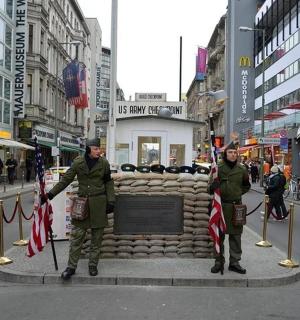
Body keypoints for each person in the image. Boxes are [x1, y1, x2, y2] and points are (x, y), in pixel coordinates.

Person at [42, 138, 115, 280]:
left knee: (97, 238)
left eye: (99, 149)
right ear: (88, 149)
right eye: (95, 149)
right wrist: (50, 194)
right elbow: (66, 180)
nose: (98, 151)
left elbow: (108, 182)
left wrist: (111, 201)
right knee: (77, 238)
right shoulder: (78, 162)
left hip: (99, 203)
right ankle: (71, 267)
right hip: (82, 204)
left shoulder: (103, 163)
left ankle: (93, 265)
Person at [209, 141, 251, 274]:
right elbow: (208, 187)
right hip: (221, 206)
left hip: (236, 206)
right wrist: (213, 187)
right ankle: (218, 261)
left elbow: (246, 185)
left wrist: (237, 193)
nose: (233, 155)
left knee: (236, 236)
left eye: (235, 153)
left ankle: (235, 262)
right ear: (225, 154)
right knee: (219, 236)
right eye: (230, 152)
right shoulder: (218, 168)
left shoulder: (242, 169)